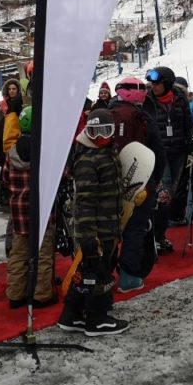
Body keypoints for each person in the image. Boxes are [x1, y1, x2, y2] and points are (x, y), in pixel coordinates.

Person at [57, 108, 130, 336]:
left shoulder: (107, 150)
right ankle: (97, 319)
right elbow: (85, 201)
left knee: (85, 272)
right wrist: (88, 237)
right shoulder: (88, 159)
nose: (100, 138)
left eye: (105, 131)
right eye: (94, 132)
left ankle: (72, 315)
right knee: (99, 273)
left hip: (107, 223)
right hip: (97, 229)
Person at [109, 77, 165, 291]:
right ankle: (129, 276)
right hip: (139, 180)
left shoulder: (104, 114)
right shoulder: (142, 118)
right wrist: (154, 180)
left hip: (108, 180)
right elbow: (158, 153)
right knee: (135, 227)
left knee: (108, 228)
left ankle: (102, 273)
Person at [4, 106, 57, 308]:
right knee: (43, 254)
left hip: (19, 212)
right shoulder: (45, 152)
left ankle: (16, 294)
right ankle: (42, 294)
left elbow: (5, 179)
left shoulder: (12, 152)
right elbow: (60, 175)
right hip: (41, 210)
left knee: (19, 254)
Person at [142, 66, 193, 255]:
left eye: (157, 83)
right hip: (159, 153)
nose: (153, 86)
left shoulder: (179, 99)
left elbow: (187, 122)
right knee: (163, 194)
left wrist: (191, 143)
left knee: (171, 192)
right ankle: (157, 236)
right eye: (152, 83)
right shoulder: (148, 101)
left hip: (178, 151)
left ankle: (159, 235)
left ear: (167, 83)